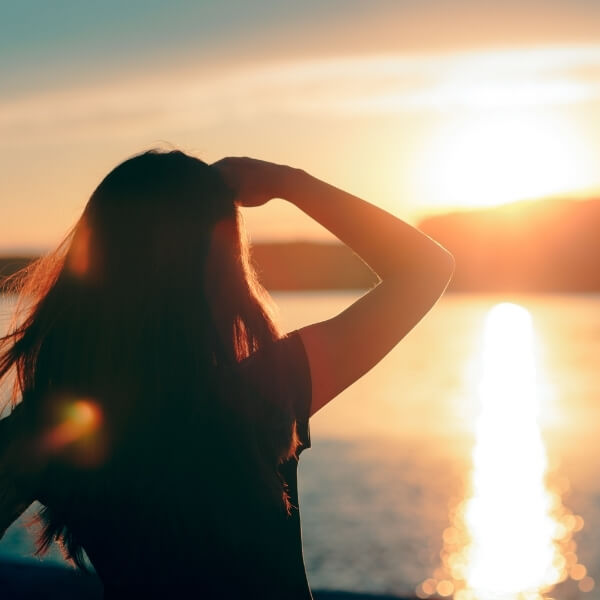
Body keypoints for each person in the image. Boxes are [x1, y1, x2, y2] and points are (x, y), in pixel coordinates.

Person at [0, 150, 454, 599]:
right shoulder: (262, 393)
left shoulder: (46, 431)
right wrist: (288, 182)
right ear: (221, 274)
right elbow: (425, 268)